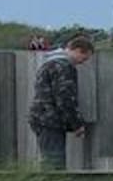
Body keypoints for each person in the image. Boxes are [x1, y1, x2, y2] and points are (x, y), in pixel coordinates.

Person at [28, 34, 93, 170]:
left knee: (49, 160)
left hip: (42, 118)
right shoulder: (63, 67)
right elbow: (65, 98)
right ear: (78, 50)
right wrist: (76, 124)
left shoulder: (49, 63)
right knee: (54, 163)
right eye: (84, 57)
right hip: (50, 120)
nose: (83, 62)